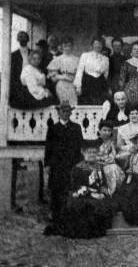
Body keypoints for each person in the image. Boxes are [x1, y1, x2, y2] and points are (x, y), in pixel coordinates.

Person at [43, 100, 83, 235]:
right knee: (56, 191)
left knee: (69, 190)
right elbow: (48, 147)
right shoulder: (53, 128)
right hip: (57, 166)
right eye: (62, 111)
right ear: (58, 113)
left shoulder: (76, 128)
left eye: (67, 111)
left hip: (71, 165)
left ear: (71, 113)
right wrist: (47, 164)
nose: (65, 113)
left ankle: (68, 219)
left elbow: (79, 147)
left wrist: (78, 164)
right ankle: (56, 219)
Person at [59, 139, 113, 238]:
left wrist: (103, 192)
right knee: (88, 205)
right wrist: (91, 193)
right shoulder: (78, 168)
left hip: (97, 194)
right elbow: (76, 186)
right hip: (82, 194)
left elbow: (103, 183)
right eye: (89, 152)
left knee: (106, 202)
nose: (92, 154)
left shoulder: (99, 167)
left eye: (94, 152)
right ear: (83, 153)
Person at [74, 36, 110, 105]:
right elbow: (80, 71)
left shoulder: (106, 59)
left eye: (100, 44)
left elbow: (106, 75)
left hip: (99, 84)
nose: (98, 46)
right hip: (87, 83)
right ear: (92, 45)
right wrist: (78, 86)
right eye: (96, 43)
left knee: (99, 105)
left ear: (103, 46)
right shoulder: (85, 55)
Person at [97, 120, 125, 196]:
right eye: (104, 130)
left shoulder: (112, 143)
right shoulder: (95, 143)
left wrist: (106, 160)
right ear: (99, 131)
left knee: (112, 168)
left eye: (109, 130)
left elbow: (113, 155)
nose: (106, 132)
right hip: (97, 163)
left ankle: (110, 191)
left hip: (108, 163)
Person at [47, 36, 79, 106]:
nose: (67, 48)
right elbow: (53, 78)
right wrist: (63, 77)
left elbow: (78, 76)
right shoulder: (57, 59)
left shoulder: (77, 60)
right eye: (65, 46)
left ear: (72, 46)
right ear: (61, 46)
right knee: (64, 106)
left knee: (74, 105)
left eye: (69, 46)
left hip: (73, 86)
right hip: (62, 85)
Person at [120, 42, 138, 118]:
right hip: (130, 90)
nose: (136, 51)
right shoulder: (126, 63)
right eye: (134, 49)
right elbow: (122, 79)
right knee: (131, 110)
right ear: (131, 51)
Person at [10, 31, 31, 108]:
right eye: (20, 37)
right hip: (18, 84)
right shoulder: (13, 55)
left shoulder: (32, 53)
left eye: (24, 37)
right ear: (17, 39)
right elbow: (12, 73)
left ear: (28, 39)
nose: (22, 39)